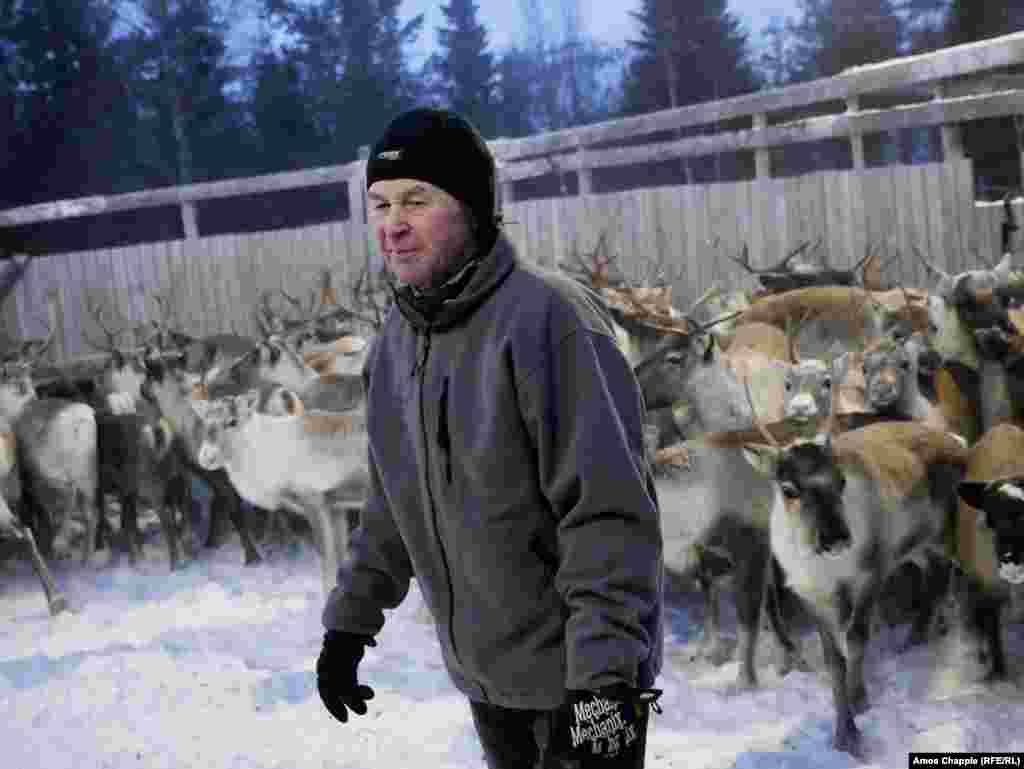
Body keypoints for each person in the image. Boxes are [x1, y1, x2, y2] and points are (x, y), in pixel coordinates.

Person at [315, 106, 665, 769]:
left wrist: (604, 682)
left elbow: (608, 515)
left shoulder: (549, 322)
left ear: (473, 207)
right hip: (491, 681)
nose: (393, 223)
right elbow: (394, 501)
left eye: (417, 199)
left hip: (582, 680)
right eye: (381, 202)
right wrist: (349, 623)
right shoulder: (397, 342)